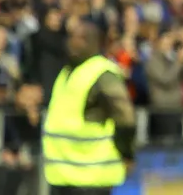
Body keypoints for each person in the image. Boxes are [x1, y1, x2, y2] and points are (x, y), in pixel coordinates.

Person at [41, 18, 136, 195]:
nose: (72, 42)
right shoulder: (66, 72)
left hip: (92, 179)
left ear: (94, 43)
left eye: (80, 38)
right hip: (61, 177)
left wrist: (127, 153)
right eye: (72, 37)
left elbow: (126, 118)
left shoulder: (103, 73)